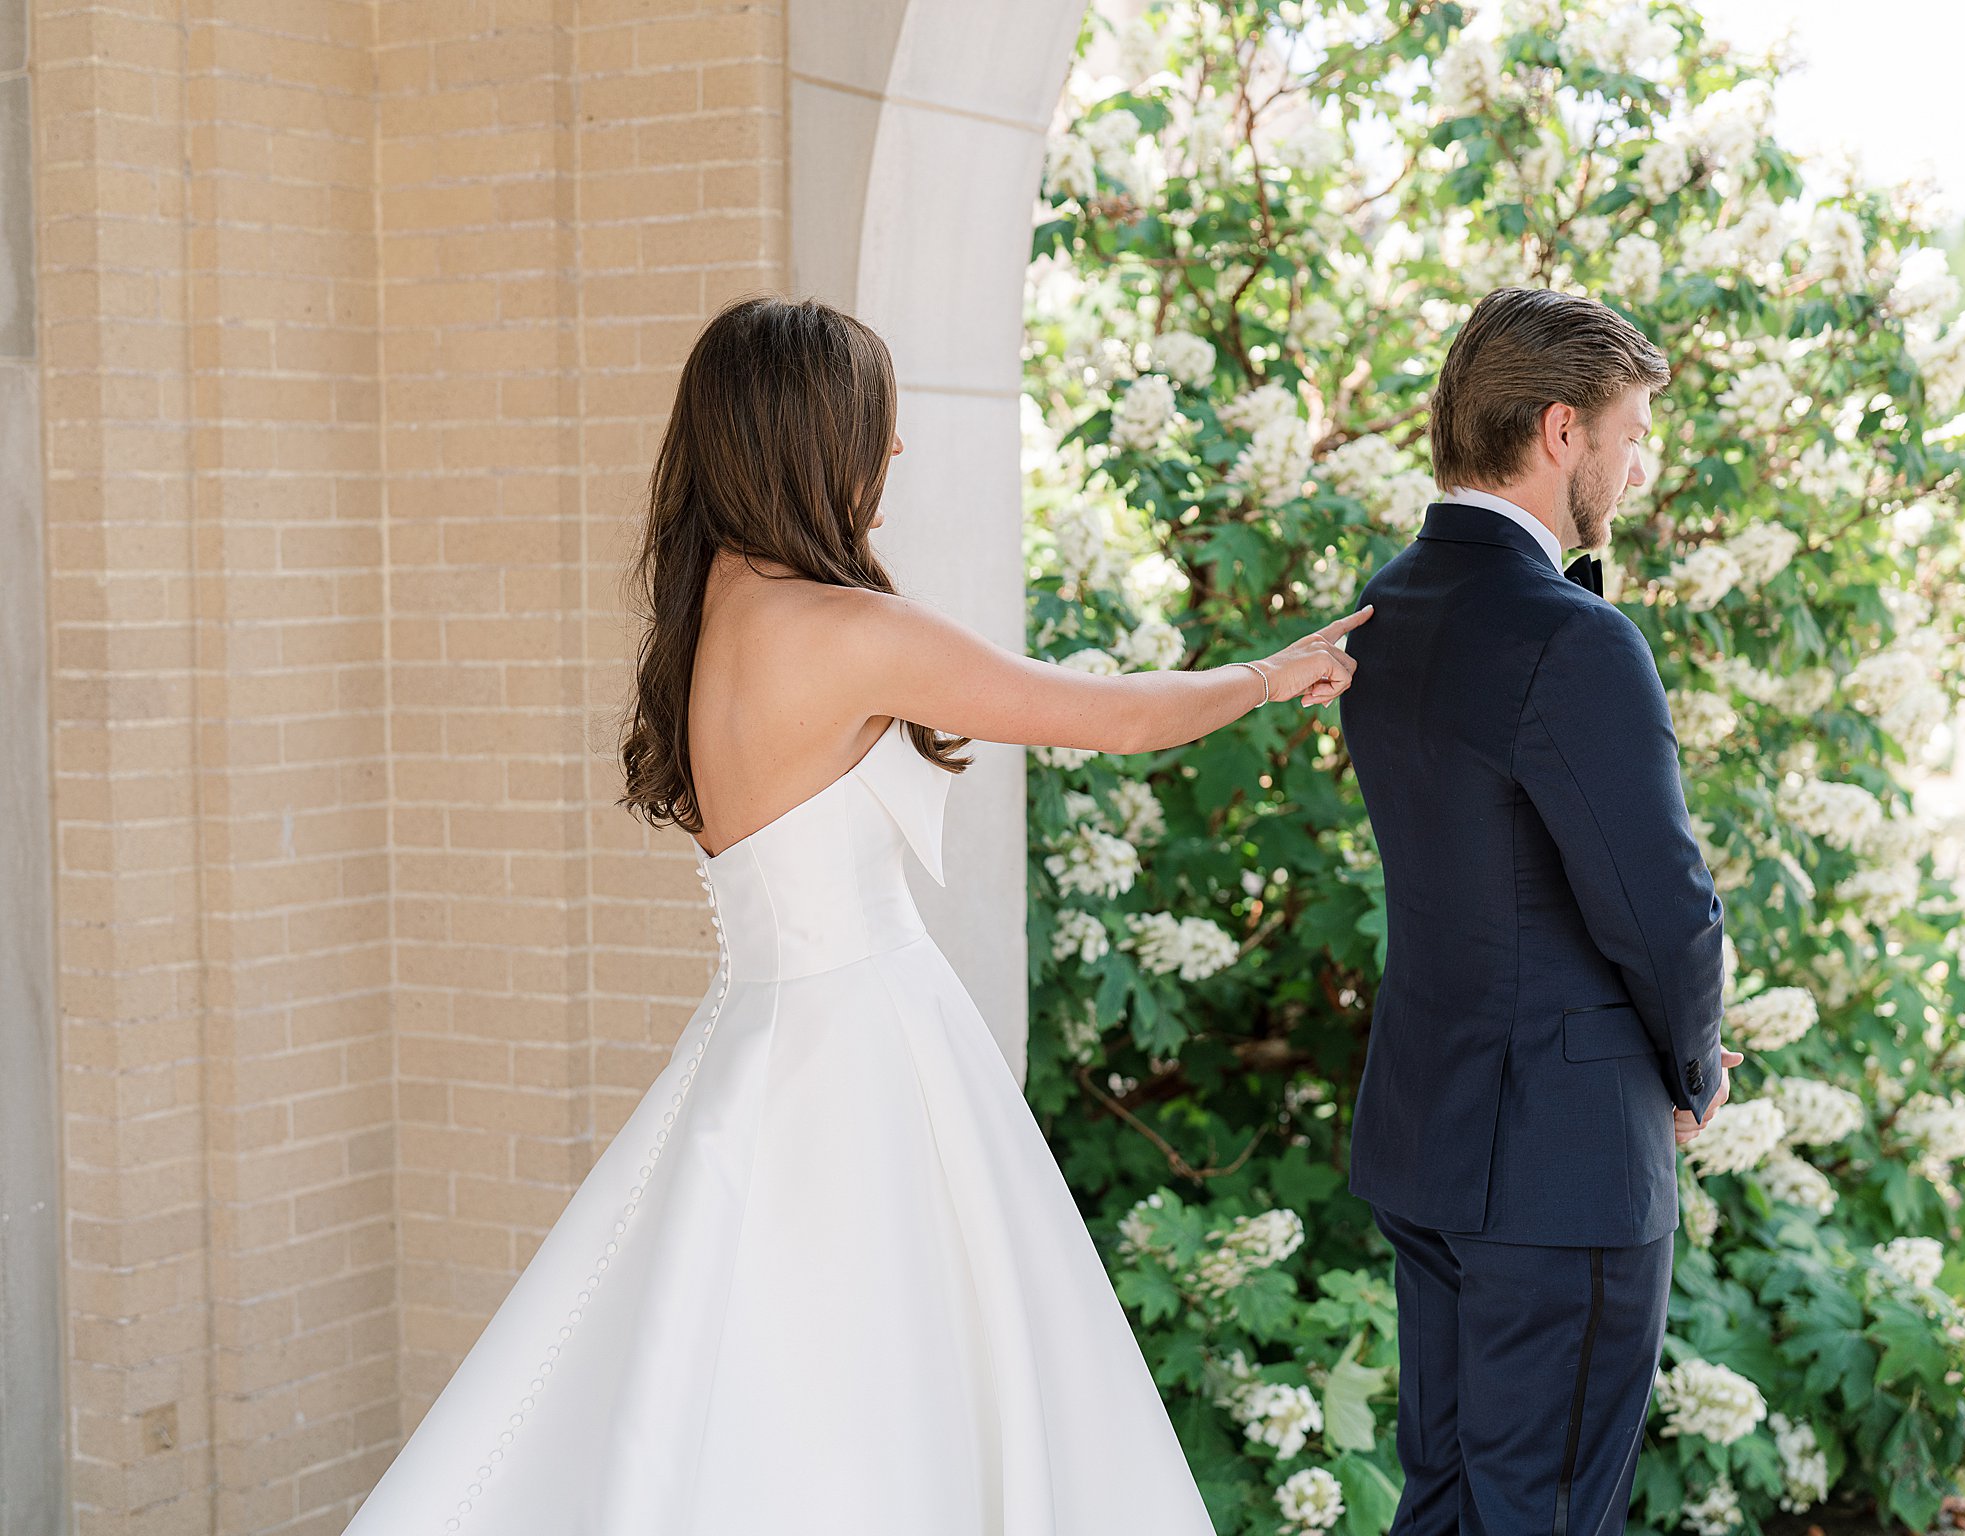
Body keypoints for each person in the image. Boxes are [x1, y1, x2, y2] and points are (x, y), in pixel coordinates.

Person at [338, 293, 1372, 1536]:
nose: (896, 453)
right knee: (887, 1397)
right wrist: (1275, 672)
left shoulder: (711, 611)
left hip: (759, 1039)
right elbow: (1110, 716)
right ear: (812, 439)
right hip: (862, 1051)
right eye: (877, 426)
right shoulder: (839, 630)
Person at [1336, 285, 1740, 1536]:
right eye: (1627, 433)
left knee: (1448, 1501)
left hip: (1429, 1133)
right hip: (1559, 1169)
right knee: (1548, 1515)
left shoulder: (1382, 609)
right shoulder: (1570, 637)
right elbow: (1657, 904)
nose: (1632, 463)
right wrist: (1694, 1066)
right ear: (1559, 431)